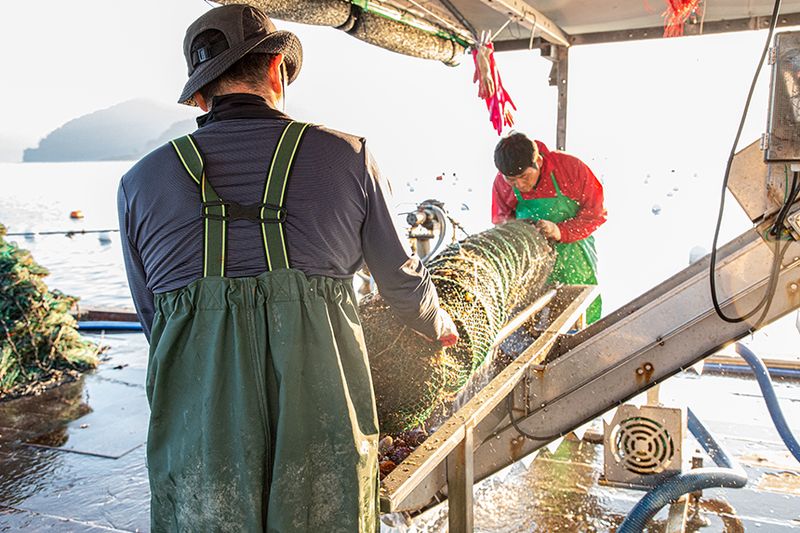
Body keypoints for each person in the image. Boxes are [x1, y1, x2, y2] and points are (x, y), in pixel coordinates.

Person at [117, 4, 458, 531]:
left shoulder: (139, 183)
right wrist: (438, 325)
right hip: (318, 403)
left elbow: (153, 321)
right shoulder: (347, 155)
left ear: (202, 95)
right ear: (277, 69)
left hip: (201, 410)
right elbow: (399, 279)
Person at [492, 132, 606, 323]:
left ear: (538, 160)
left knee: (579, 316)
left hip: (574, 256)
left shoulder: (570, 168)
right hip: (532, 261)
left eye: (524, 176)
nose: (519, 185)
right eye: (511, 180)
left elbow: (596, 213)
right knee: (529, 318)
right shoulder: (502, 184)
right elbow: (501, 222)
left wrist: (560, 231)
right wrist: (523, 234)